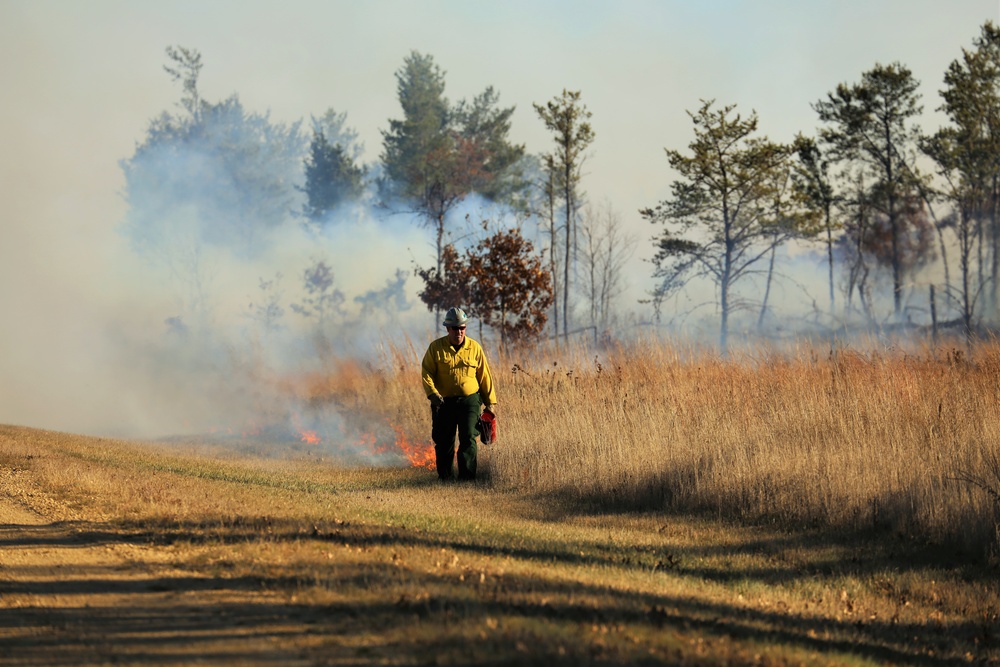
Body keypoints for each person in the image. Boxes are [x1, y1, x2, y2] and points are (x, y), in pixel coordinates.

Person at [421, 306, 497, 481]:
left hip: (470, 400)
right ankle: (445, 477)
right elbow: (426, 373)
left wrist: (490, 404)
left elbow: (484, 376)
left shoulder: (475, 348)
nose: (459, 331)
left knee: (469, 437)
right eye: (455, 328)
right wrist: (432, 394)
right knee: (444, 441)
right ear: (447, 328)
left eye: (462, 327)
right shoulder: (436, 348)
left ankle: (467, 478)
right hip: (443, 402)